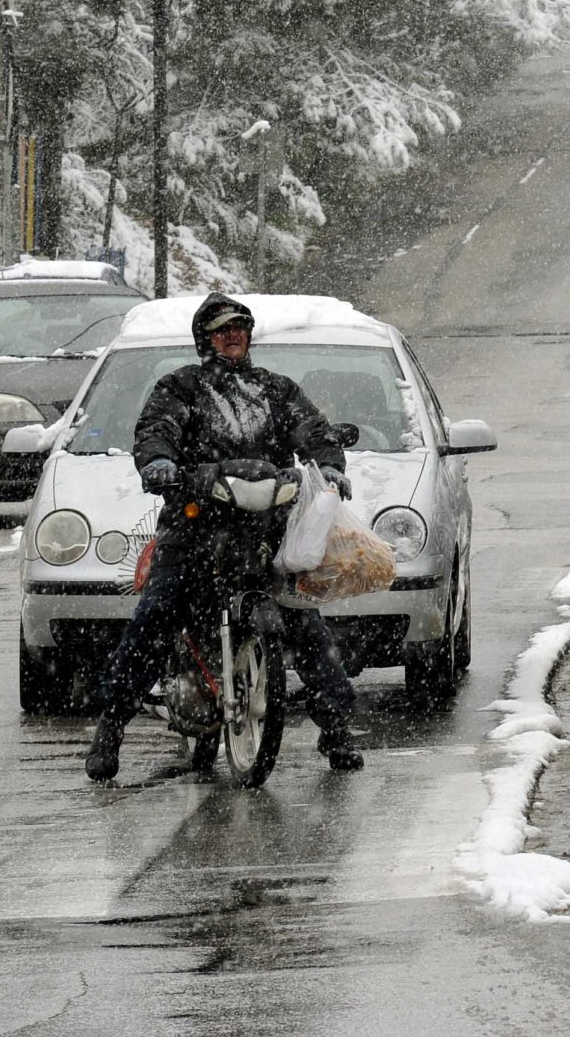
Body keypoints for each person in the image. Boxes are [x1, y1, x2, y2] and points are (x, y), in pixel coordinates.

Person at [84, 293, 364, 781]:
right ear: (204, 340)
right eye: (221, 329)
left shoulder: (277, 390)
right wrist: (159, 463)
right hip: (194, 529)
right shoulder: (180, 388)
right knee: (155, 615)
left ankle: (336, 728)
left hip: (265, 533)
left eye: (239, 327)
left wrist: (331, 466)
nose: (232, 335)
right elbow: (156, 431)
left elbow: (314, 432)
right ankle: (110, 727)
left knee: (306, 624)